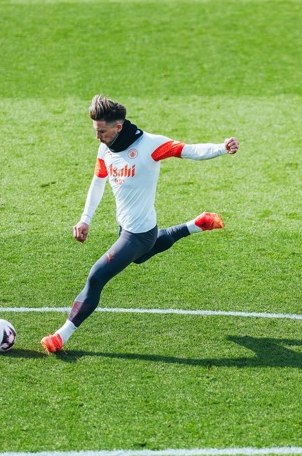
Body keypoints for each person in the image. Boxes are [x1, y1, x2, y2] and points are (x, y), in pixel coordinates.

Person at [42, 95, 239, 353]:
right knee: (139, 258)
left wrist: (222, 147)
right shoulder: (105, 149)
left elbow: (189, 150)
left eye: (101, 131)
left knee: (97, 275)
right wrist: (85, 219)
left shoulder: (150, 145)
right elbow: (98, 182)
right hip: (126, 227)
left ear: (118, 127)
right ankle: (197, 224)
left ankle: (61, 336)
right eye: (95, 130)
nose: (97, 136)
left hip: (139, 234)